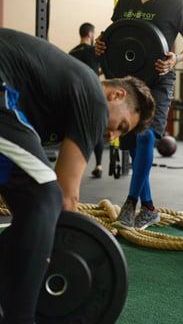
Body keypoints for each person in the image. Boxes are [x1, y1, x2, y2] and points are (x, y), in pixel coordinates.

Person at [0, 28, 155, 324]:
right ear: (117, 94)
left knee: (32, 200)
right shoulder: (94, 98)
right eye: (121, 126)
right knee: (45, 196)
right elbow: (65, 196)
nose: (112, 136)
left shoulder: (53, 102)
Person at [96, 0, 183, 230]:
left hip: (158, 81)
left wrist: (177, 58)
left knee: (145, 137)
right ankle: (150, 208)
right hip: (127, 82)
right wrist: (102, 44)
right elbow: (117, 34)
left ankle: (131, 203)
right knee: (130, 142)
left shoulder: (177, 6)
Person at [69, 22, 104, 178]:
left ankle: (75, 167)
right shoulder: (93, 51)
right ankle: (99, 165)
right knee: (97, 129)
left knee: (75, 130)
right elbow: (102, 68)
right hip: (93, 94)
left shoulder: (71, 53)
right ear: (90, 34)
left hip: (75, 95)